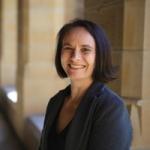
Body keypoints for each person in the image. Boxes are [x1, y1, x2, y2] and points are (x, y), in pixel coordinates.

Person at [39, 19, 132, 150]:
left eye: (85, 50)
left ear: (99, 56)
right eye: (68, 48)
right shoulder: (55, 102)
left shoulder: (111, 109)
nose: (74, 57)